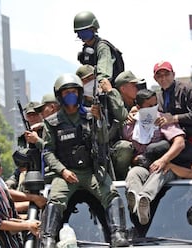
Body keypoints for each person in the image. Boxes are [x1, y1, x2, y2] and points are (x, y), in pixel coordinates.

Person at [40, 73, 128, 247]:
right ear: (59, 96)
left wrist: (99, 120)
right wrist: (63, 171)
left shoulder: (90, 115)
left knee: (111, 193)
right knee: (55, 199)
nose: (71, 95)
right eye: (66, 93)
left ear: (80, 93)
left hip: (91, 171)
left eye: (74, 91)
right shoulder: (52, 122)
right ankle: (47, 239)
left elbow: (103, 140)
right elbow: (48, 152)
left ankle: (118, 234)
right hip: (66, 173)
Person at [124, 89, 186, 225]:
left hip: (166, 166)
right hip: (144, 167)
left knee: (160, 171)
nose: (153, 109)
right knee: (133, 173)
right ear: (139, 107)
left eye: (155, 105)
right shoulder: (131, 124)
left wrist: (163, 160)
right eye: (149, 106)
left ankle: (144, 199)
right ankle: (134, 200)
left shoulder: (162, 119)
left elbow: (180, 143)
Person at [76, 64, 132, 180]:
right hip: (90, 149)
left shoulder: (109, 96)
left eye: (92, 78)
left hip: (111, 147)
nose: (90, 82)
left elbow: (122, 116)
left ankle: (121, 180)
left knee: (125, 147)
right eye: (86, 80)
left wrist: (110, 92)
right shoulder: (77, 104)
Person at [153, 61, 192, 164]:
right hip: (172, 141)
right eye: (159, 76)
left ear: (173, 74)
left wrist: (174, 118)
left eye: (166, 74)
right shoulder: (157, 96)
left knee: (160, 153)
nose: (163, 78)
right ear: (155, 79)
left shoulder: (186, 90)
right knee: (151, 151)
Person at [74, 11, 124, 86]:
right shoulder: (86, 49)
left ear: (93, 29)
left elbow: (104, 74)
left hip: (109, 88)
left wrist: (101, 82)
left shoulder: (103, 47)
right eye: (79, 32)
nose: (82, 35)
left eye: (85, 31)